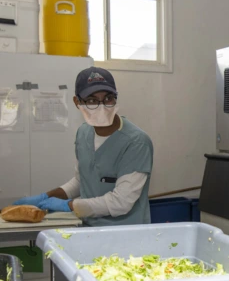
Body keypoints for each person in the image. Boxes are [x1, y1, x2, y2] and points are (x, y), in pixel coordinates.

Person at [13, 67, 153, 226]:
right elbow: (82, 180)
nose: (102, 106)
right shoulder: (83, 133)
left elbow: (120, 202)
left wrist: (69, 205)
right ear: (77, 102)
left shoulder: (136, 142)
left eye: (108, 98)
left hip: (125, 234)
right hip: (88, 228)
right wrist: (46, 197)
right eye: (92, 100)